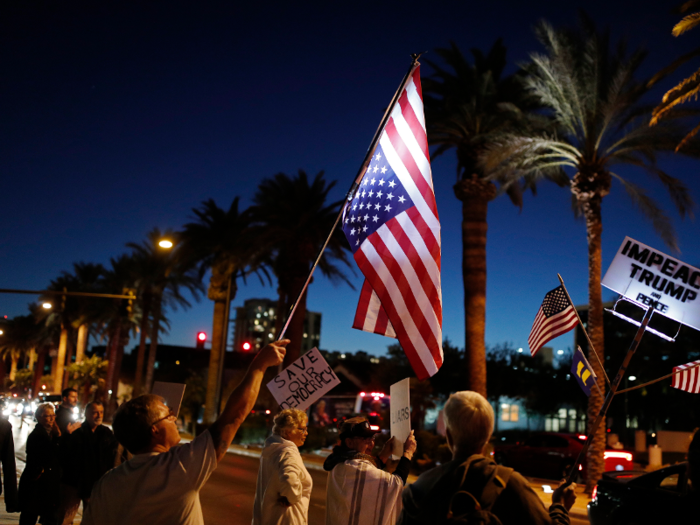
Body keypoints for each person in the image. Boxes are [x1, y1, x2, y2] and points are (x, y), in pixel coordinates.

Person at [82, 339, 289, 525]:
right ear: (154, 430)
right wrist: (259, 366)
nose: (174, 418)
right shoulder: (177, 467)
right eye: (168, 415)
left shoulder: (106, 484)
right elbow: (234, 416)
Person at [399, 391, 576, 525]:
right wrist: (559, 505)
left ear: (450, 437)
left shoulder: (421, 488)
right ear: (488, 436)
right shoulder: (511, 485)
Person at [324, 417, 417, 525]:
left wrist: (384, 455)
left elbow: (370, 469)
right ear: (349, 442)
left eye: (372, 438)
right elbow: (396, 482)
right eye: (365, 439)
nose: (371, 444)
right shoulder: (355, 467)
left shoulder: (338, 461)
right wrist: (408, 453)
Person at [57, 401, 119, 524]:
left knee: (91, 518)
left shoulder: (106, 433)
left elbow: (112, 456)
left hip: (95, 483)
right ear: (86, 414)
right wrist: (67, 435)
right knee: (66, 516)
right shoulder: (77, 431)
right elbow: (63, 454)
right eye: (95, 412)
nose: (98, 415)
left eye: (101, 412)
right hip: (74, 482)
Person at [252, 408, 313, 525]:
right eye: (302, 429)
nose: (306, 433)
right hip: (288, 518)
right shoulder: (288, 452)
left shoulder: (273, 449)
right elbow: (290, 479)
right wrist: (291, 497)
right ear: (287, 432)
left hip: (268, 516)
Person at [18, 403, 62, 525]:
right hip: (36, 484)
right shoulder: (37, 435)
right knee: (30, 516)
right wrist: (58, 438)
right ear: (39, 417)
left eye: (53, 415)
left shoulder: (50, 433)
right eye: (48, 416)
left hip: (46, 484)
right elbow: (49, 456)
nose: (52, 418)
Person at [0, 413, 18, 513]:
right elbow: (9, 464)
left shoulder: (3, 426)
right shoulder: (3, 425)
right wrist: (11, 500)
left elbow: (9, 464)